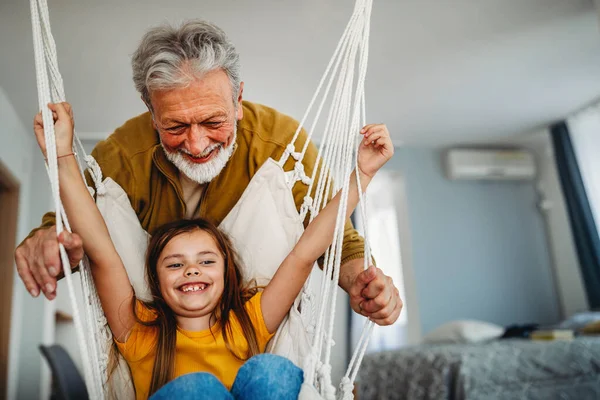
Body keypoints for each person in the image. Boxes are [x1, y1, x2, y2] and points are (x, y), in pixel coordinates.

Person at [15, 20, 402, 327]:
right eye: (175, 127)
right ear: (151, 112)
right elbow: (74, 225)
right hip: (157, 341)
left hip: (257, 332)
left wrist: (362, 281)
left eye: (213, 121)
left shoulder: (284, 146)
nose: (197, 145)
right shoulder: (122, 153)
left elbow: (332, 240)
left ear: (238, 100)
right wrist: (47, 239)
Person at [33, 100, 394, 399]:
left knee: (271, 373)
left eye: (206, 261)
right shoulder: (139, 332)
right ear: (155, 280)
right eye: (175, 264)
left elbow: (305, 252)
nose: (192, 270)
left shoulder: (248, 323)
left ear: (227, 274)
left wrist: (361, 175)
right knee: (196, 389)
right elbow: (101, 250)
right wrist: (61, 156)